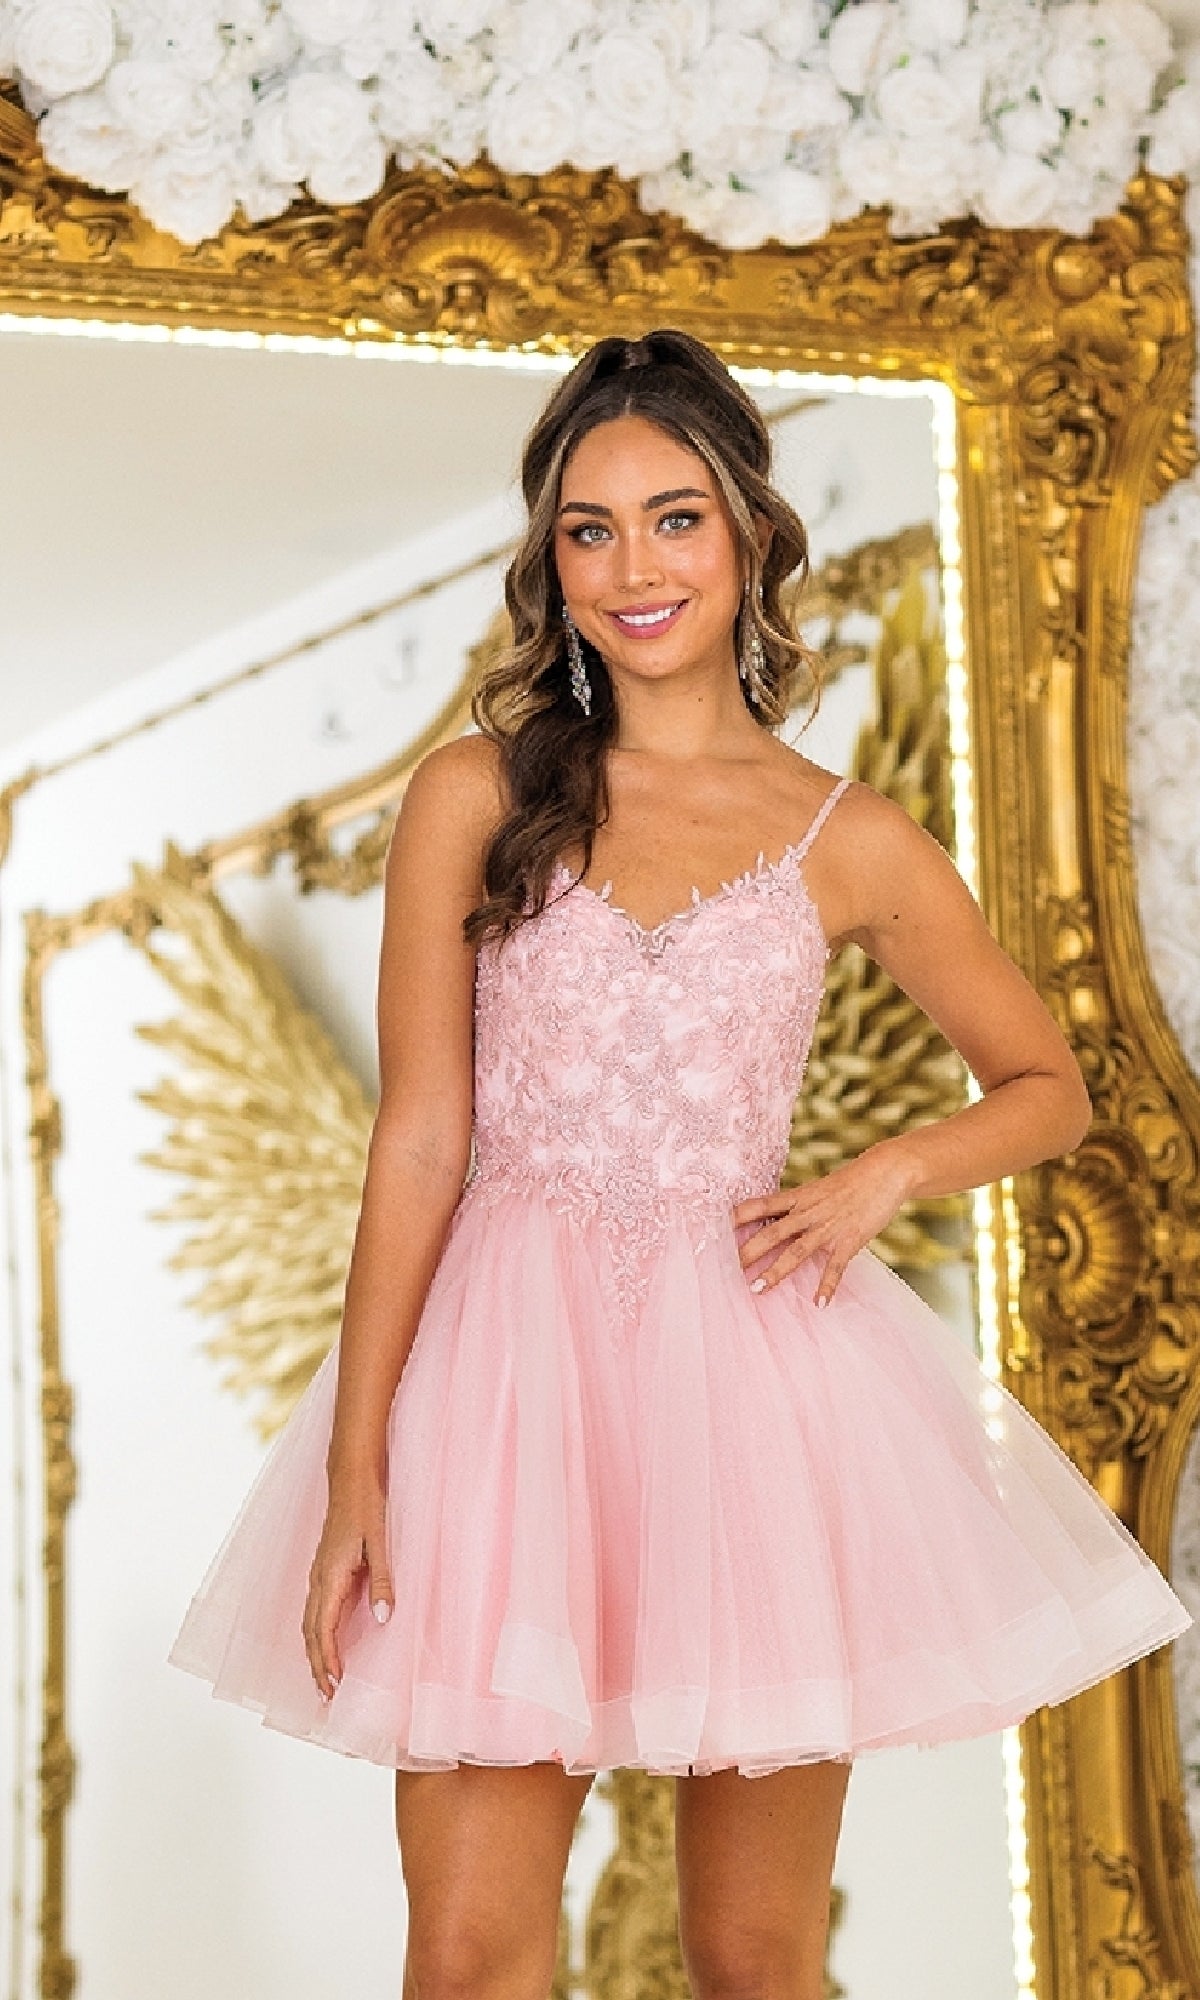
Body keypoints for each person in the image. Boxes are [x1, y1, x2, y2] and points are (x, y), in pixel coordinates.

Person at [171, 329, 1189, 2000]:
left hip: (757, 1395)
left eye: (674, 518)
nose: (633, 566)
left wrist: (878, 1180)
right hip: (502, 1398)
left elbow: (1049, 1087)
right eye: (589, 528)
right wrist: (360, 1466)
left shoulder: (848, 835)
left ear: (749, 539)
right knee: (472, 1956)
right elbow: (420, 1137)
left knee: (755, 1958)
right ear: (549, 561)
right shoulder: (472, 796)